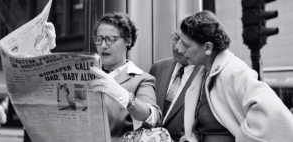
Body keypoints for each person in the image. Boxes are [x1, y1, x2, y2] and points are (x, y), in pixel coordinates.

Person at [174, 10, 293, 142]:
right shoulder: (204, 74)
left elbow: (274, 113)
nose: (179, 49)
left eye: (185, 44)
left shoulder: (234, 70)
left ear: (208, 47)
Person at [85, 12, 161, 141]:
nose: (103, 45)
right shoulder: (85, 73)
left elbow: (153, 118)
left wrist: (123, 96)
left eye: (110, 39)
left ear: (128, 41)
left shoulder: (141, 79)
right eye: (99, 39)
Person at [149, 24, 201, 141]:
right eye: (176, 38)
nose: (177, 47)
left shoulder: (205, 76)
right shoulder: (158, 68)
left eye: (185, 43)